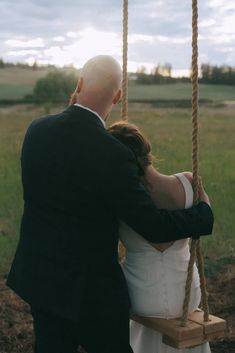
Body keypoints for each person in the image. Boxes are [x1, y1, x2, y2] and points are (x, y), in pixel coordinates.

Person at [6, 55, 213, 353]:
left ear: (79, 84)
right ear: (117, 97)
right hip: (92, 293)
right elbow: (153, 225)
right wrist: (202, 215)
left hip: (41, 279)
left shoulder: (37, 130)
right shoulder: (113, 153)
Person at [108, 121, 211, 353]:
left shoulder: (120, 201)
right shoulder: (188, 182)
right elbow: (207, 213)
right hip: (187, 294)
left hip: (142, 295)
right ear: (147, 151)